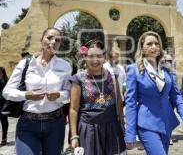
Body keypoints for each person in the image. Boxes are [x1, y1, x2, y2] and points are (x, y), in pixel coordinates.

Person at [3, 27, 72, 155]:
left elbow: (68, 93)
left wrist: (59, 95)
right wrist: (26, 95)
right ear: (41, 40)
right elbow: (7, 91)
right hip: (28, 125)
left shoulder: (65, 65)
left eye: (57, 40)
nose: (53, 42)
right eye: (49, 38)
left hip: (55, 124)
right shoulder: (25, 64)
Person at [125, 31, 183, 155]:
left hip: (166, 121)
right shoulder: (133, 70)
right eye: (149, 44)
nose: (154, 47)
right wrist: (130, 133)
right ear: (142, 47)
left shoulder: (167, 69)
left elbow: (176, 95)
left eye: (156, 43)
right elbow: (131, 103)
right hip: (146, 123)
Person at [69, 40, 126, 155]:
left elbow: (119, 100)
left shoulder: (112, 76)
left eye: (99, 56)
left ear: (104, 57)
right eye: (91, 56)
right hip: (89, 130)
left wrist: (122, 124)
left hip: (111, 128)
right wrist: (74, 136)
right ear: (85, 57)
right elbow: (73, 109)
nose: (95, 60)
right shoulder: (78, 79)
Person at [0, 67, 9, 146]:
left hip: (3, 103)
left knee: (4, 121)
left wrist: (2, 81)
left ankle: (4, 138)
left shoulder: (6, 81)